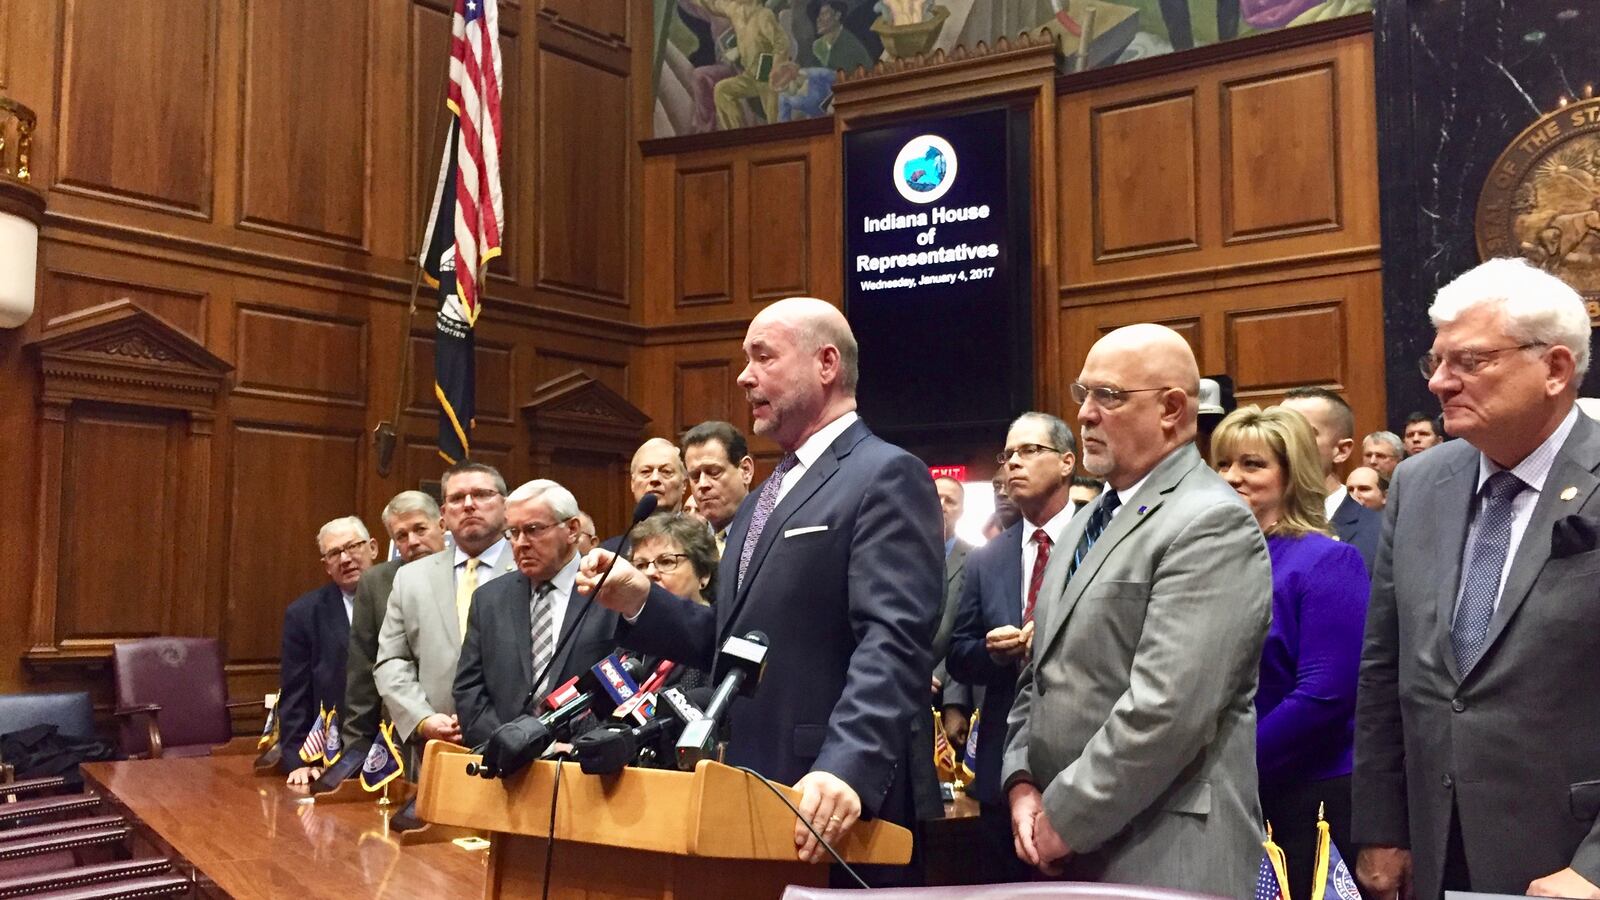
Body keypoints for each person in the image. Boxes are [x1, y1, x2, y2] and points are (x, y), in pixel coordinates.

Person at [578, 297, 941, 882]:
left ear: (826, 364)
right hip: (750, 788)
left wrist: (848, 765)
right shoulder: (761, 501)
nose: (744, 377)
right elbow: (733, 641)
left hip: (829, 799)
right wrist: (641, 599)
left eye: (763, 357)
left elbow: (894, 641)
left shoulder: (884, 474)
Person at [1354, 258, 1600, 900]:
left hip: (1571, 855)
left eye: (1469, 361)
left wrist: (1596, 867)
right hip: (1437, 848)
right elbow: (1385, 668)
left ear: (1554, 369)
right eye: (1436, 361)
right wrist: (1382, 828)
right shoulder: (1419, 482)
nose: (1439, 382)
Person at [1003, 324, 1271, 894]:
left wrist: (1064, 818)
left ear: (1172, 409)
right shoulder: (1084, 522)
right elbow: (1039, 674)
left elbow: (1167, 711)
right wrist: (1021, 780)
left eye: (1109, 396)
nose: (1085, 414)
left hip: (1162, 852)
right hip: (1065, 845)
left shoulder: (1210, 521)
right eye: (1083, 394)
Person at [1212, 405, 1369, 900]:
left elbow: (1324, 695)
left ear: (1292, 474)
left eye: (1252, 464)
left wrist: (1228, 763)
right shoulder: (1210, 562)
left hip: (1306, 797)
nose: (1231, 477)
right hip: (1224, 795)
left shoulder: (1328, 561)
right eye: (1223, 463)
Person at [947, 411, 1078, 885]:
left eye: (1029, 451)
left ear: (1067, 462)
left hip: (1082, 758)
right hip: (1002, 761)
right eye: (1008, 455)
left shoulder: (1099, 539)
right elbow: (958, 654)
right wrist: (992, 652)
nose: (1013, 464)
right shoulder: (988, 558)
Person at [453, 480, 622, 749]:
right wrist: (514, 746)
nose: (520, 543)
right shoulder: (489, 600)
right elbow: (469, 691)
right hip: (506, 764)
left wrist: (584, 747)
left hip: (586, 761)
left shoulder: (610, 592)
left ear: (572, 529)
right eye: (513, 532)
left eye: (533, 530)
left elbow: (628, 687)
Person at [375, 462, 516, 771]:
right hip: (436, 748)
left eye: (481, 494)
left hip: (514, 746)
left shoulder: (527, 568)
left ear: (505, 506)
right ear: (444, 514)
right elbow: (391, 661)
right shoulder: (411, 578)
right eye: (457, 498)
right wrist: (422, 718)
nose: (468, 505)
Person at [338, 491, 446, 767]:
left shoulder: (469, 572)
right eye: (401, 536)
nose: (413, 541)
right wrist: (355, 753)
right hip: (401, 736)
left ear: (442, 525)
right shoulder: (377, 582)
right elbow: (362, 674)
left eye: (420, 529)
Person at [281, 516, 377, 785]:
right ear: (326, 566)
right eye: (334, 553)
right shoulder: (304, 614)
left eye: (353, 547)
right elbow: (295, 694)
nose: (345, 559)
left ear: (373, 548)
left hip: (397, 748)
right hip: (336, 756)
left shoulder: (402, 597)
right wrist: (299, 761)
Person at [1281, 386, 1381, 570]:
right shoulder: (1254, 524)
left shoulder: (1379, 533)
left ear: (1341, 451)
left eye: (1301, 434)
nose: (1284, 443)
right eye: (1277, 431)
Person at [681, 420, 755, 554]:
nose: (703, 484)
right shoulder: (685, 546)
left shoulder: (771, 533)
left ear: (746, 470)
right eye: (695, 476)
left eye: (714, 472)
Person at [930, 475, 972, 696]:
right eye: (936, 497)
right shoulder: (899, 556)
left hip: (946, 684)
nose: (942, 505)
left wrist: (940, 675)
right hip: (899, 680)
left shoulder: (975, 559)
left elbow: (970, 629)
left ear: (962, 511)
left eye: (950, 501)